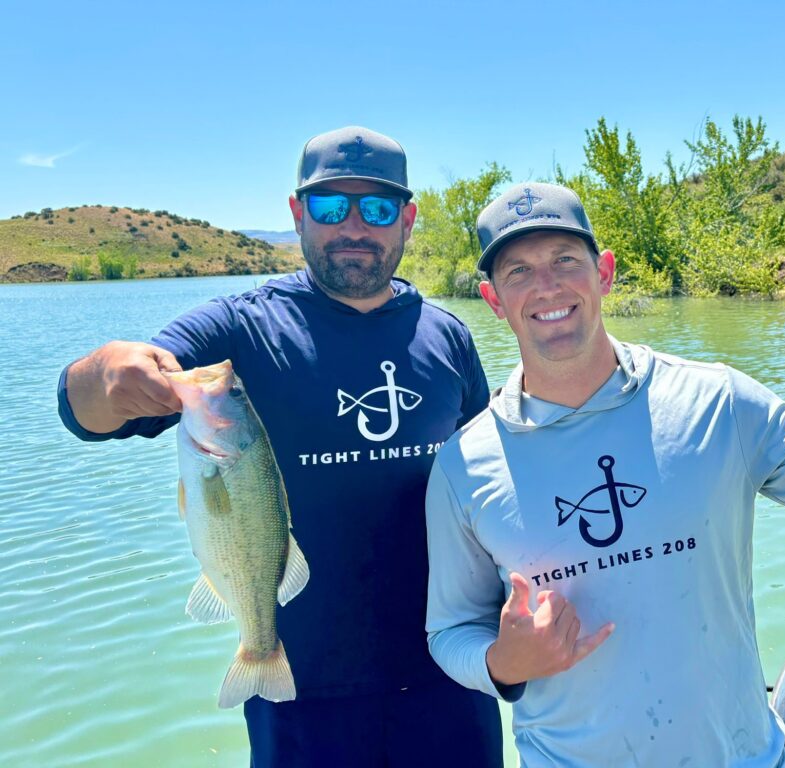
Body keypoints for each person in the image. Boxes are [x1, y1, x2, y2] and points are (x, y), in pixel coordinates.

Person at [423, 182, 785, 767]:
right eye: (519, 271)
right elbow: (448, 633)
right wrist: (505, 664)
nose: (547, 286)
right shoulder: (461, 466)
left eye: (565, 260)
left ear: (604, 272)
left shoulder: (719, 401)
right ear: (493, 299)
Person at [57, 127, 504, 767]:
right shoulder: (239, 327)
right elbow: (83, 411)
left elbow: (491, 490)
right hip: (297, 691)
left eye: (377, 208)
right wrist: (104, 371)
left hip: (451, 678)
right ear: (297, 214)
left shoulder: (449, 338)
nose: (354, 225)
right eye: (330, 207)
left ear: (406, 220)